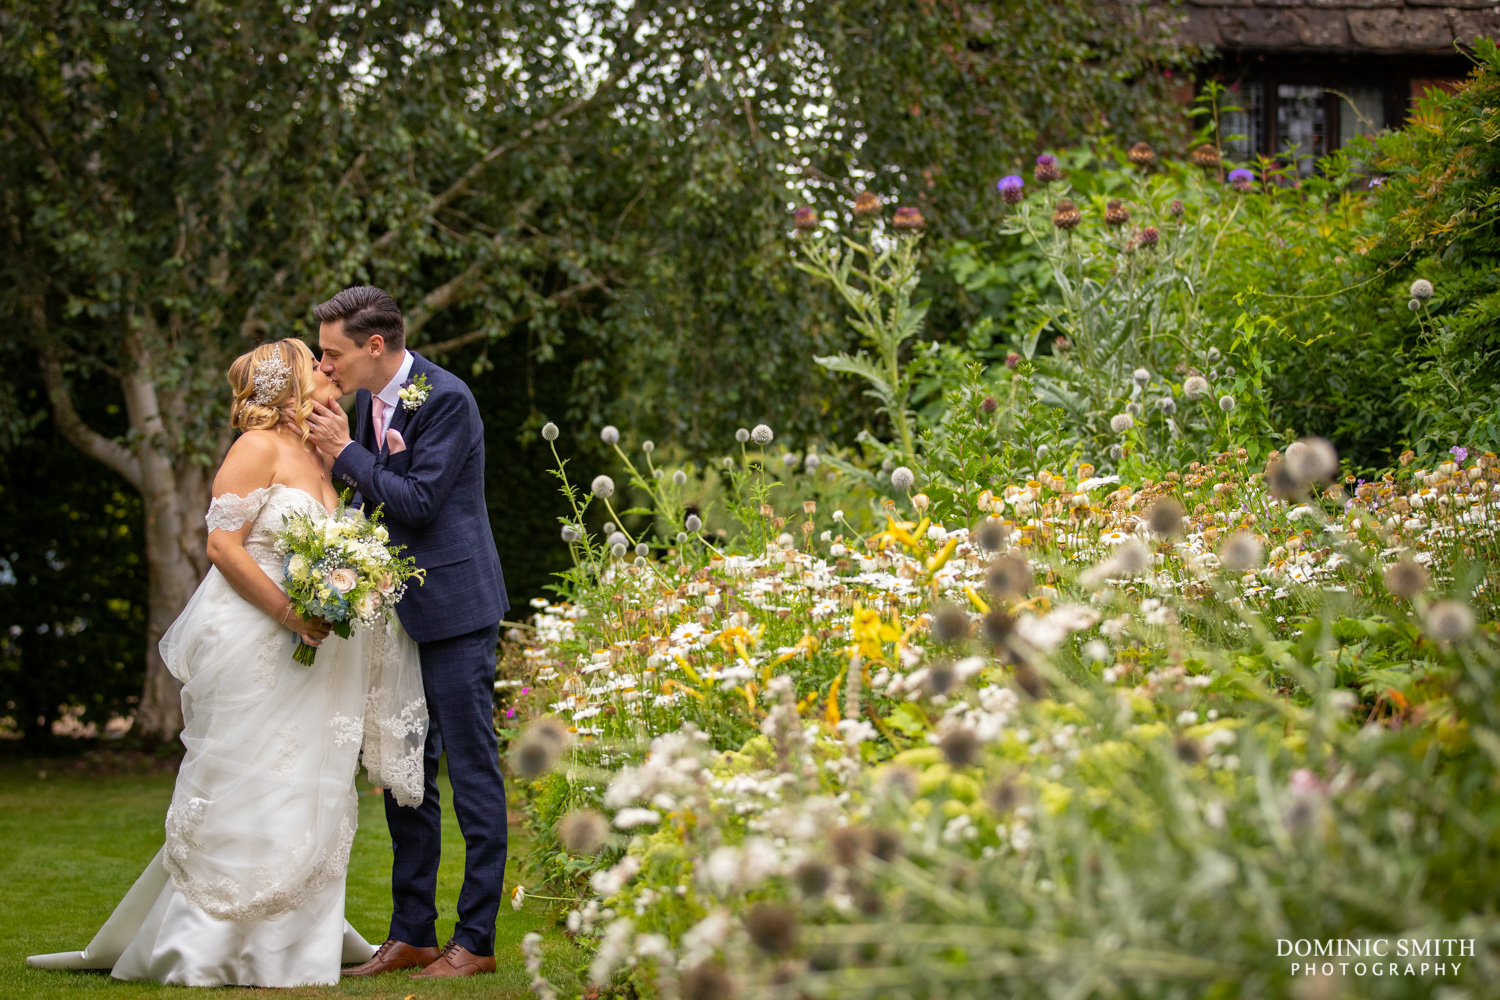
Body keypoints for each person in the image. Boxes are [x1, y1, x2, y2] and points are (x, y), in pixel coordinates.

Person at [26, 339, 429, 987]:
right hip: (261, 639)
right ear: (293, 388)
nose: (332, 378)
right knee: (250, 779)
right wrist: (291, 614)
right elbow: (221, 543)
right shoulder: (258, 448)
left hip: (318, 653)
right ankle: (209, 944)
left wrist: (353, 583)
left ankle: (293, 941)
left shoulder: (321, 457)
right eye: (319, 371)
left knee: (305, 783)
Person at [299, 285, 510, 979]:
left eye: (332, 355)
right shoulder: (365, 402)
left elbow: (417, 502)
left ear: (375, 346)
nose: (324, 367)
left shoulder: (444, 398)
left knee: (472, 775)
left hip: (453, 613)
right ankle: (412, 933)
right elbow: (374, 500)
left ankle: (474, 942)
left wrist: (341, 453)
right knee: (405, 777)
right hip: (397, 616)